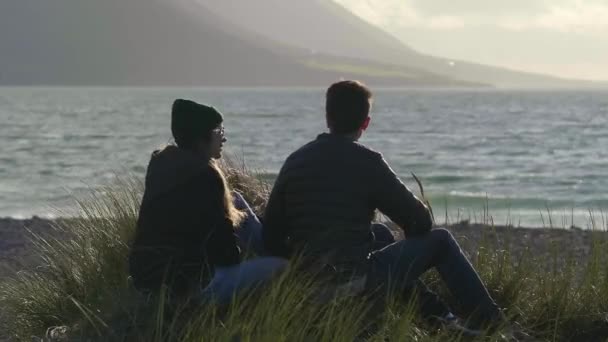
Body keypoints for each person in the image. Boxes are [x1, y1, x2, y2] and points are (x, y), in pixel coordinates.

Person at [262, 81, 505, 331]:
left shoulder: (295, 161)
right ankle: (493, 324)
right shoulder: (368, 162)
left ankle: (440, 319)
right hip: (354, 280)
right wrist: (411, 239)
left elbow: (270, 236)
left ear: (327, 117)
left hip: (306, 281)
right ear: (365, 123)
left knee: (381, 235)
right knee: (440, 241)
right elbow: (420, 221)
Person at [129, 99, 285, 304]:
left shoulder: (161, 167)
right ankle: (277, 249)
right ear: (202, 138)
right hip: (191, 287)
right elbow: (227, 256)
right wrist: (239, 247)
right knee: (281, 266)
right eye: (219, 132)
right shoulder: (206, 177)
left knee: (235, 198)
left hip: (148, 282)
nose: (224, 138)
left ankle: (268, 244)